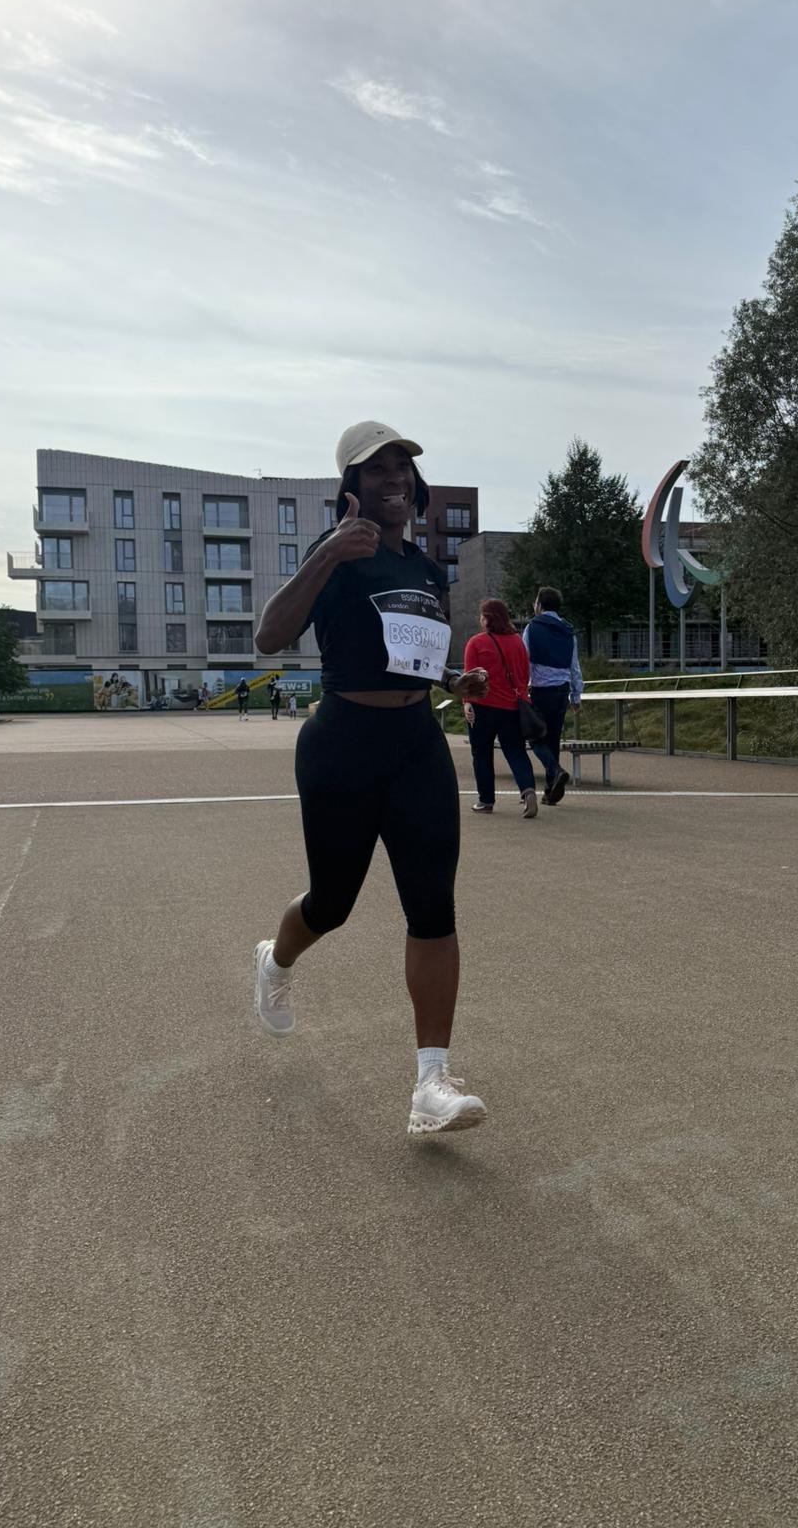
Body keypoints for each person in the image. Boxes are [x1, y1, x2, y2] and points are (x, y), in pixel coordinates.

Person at [250, 420, 492, 1136]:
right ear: (351, 485)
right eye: (377, 467)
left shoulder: (425, 568)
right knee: (332, 904)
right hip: (341, 745)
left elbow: (409, 653)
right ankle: (275, 960)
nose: (394, 477)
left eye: (402, 466)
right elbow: (269, 636)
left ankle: (430, 1085)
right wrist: (327, 553)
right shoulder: (334, 555)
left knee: (434, 908)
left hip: (417, 746)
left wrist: (454, 679)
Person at [462, 600, 564, 817]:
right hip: (511, 708)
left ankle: (486, 801)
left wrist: (467, 702)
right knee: (516, 752)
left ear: (488, 618)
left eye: (482, 615)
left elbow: (470, 677)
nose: (480, 619)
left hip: (482, 707)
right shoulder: (517, 643)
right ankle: (528, 792)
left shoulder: (476, 643)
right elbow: (524, 676)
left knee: (481, 755)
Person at [522, 586, 582, 804]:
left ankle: (555, 771)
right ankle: (551, 792)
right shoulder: (568, 630)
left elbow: (525, 660)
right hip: (562, 691)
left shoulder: (532, 627)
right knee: (553, 739)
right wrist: (576, 695)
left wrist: (522, 688)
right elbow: (574, 665)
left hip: (541, 690)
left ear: (539, 605)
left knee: (535, 736)